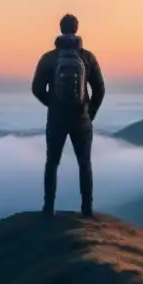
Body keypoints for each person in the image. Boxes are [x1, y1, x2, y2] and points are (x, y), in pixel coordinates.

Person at [31, 14, 105, 217]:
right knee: (85, 164)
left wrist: (52, 104)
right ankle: (87, 209)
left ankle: (48, 209)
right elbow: (99, 89)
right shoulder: (87, 57)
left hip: (57, 119)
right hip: (82, 120)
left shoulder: (49, 58)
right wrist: (90, 112)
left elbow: (37, 88)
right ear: (77, 29)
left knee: (52, 163)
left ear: (60, 28)